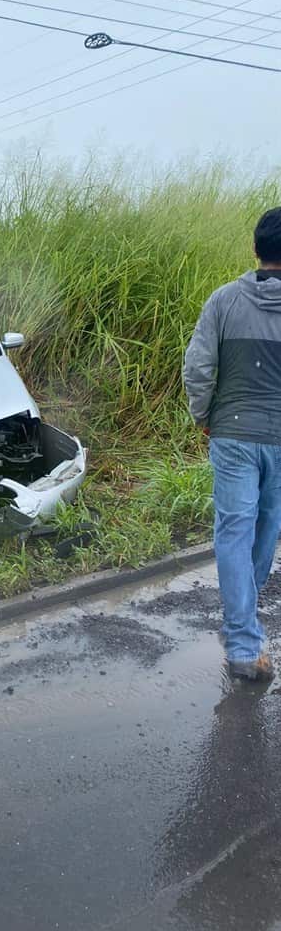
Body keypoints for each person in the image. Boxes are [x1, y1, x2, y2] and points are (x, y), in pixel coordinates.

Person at [183, 206, 281, 682]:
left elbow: (198, 368)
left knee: (234, 532)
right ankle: (243, 628)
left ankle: (242, 636)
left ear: (255, 249)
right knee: (266, 530)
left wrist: (204, 416)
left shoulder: (223, 301)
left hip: (233, 434)